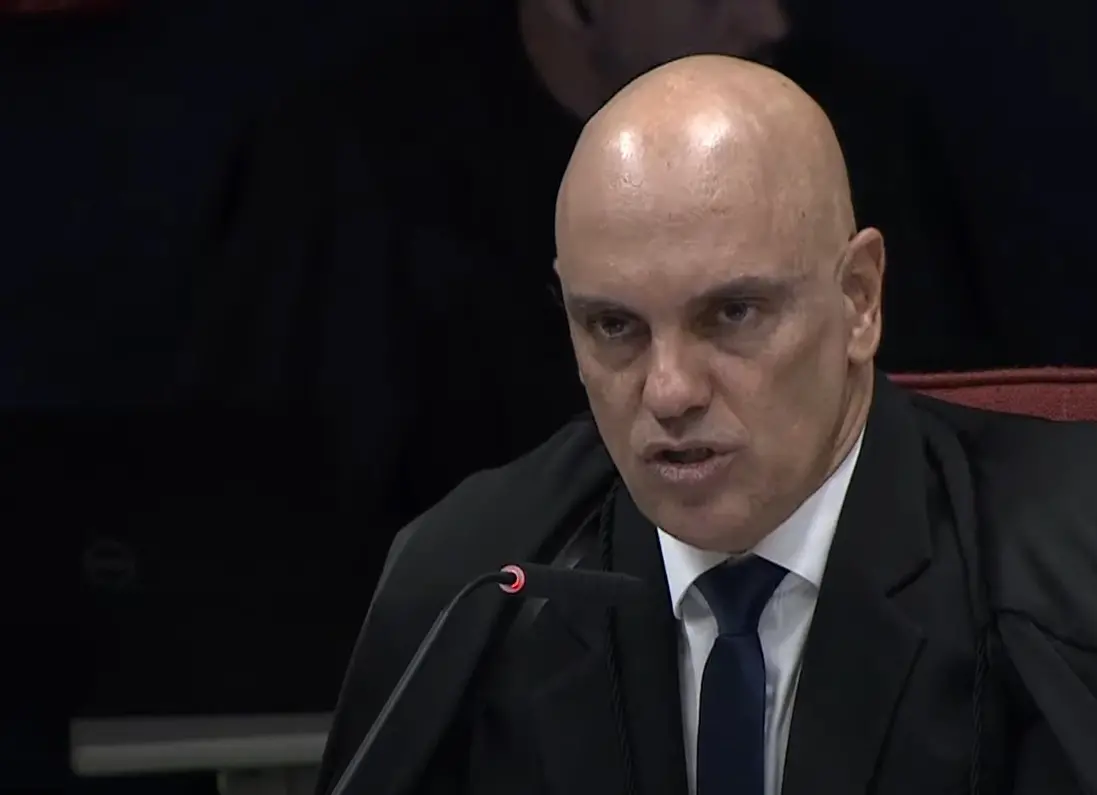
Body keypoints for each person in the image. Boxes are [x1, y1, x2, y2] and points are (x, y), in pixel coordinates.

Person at [317, 55, 1097, 795]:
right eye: (613, 327)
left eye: (731, 313)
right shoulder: (471, 585)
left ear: (858, 299)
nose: (668, 390)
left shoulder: (1086, 570)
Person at [177, 0, 990, 536]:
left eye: (735, 311)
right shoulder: (347, 175)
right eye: (613, 324)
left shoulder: (857, 141)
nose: (766, 19)